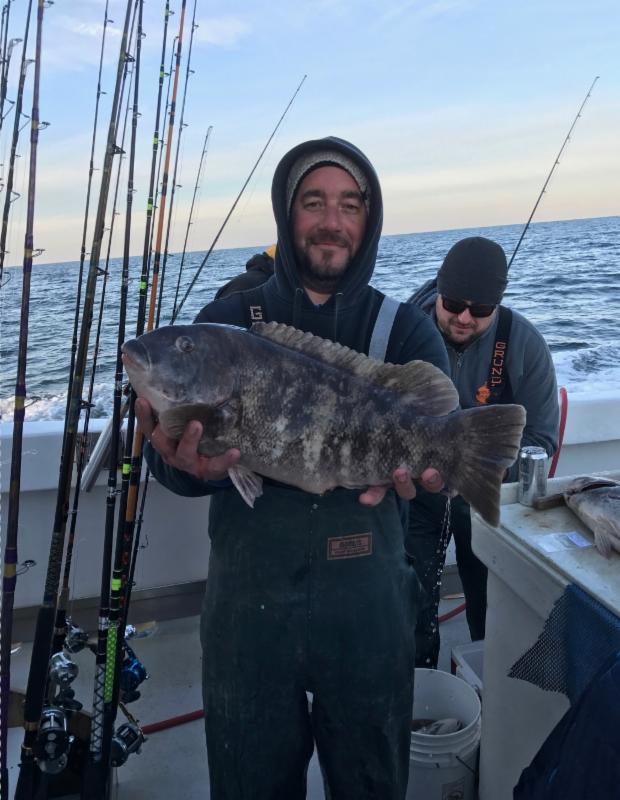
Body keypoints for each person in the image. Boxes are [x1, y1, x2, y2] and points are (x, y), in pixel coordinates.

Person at [135, 135, 450, 800]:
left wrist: (432, 477)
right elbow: (174, 473)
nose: (332, 221)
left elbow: (434, 470)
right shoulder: (224, 322)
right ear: (287, 213)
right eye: (314, 202)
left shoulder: (407, 332)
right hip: (250, 616)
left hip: (368, 607)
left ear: (368, 220)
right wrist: (188, 466)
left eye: (349, 204)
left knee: (371, 784)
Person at [406, 236, 560, 668]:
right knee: (410, 602)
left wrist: (480, 469)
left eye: (480, 310)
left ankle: (486, 682)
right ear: (438, 290)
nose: (463, 317)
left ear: (498, 305)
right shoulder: (407, 333)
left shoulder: (525, 344)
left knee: (490, 606)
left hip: (485, 496)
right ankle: (419, 684)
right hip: (416, 494)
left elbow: (542, 440)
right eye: (453, 303)